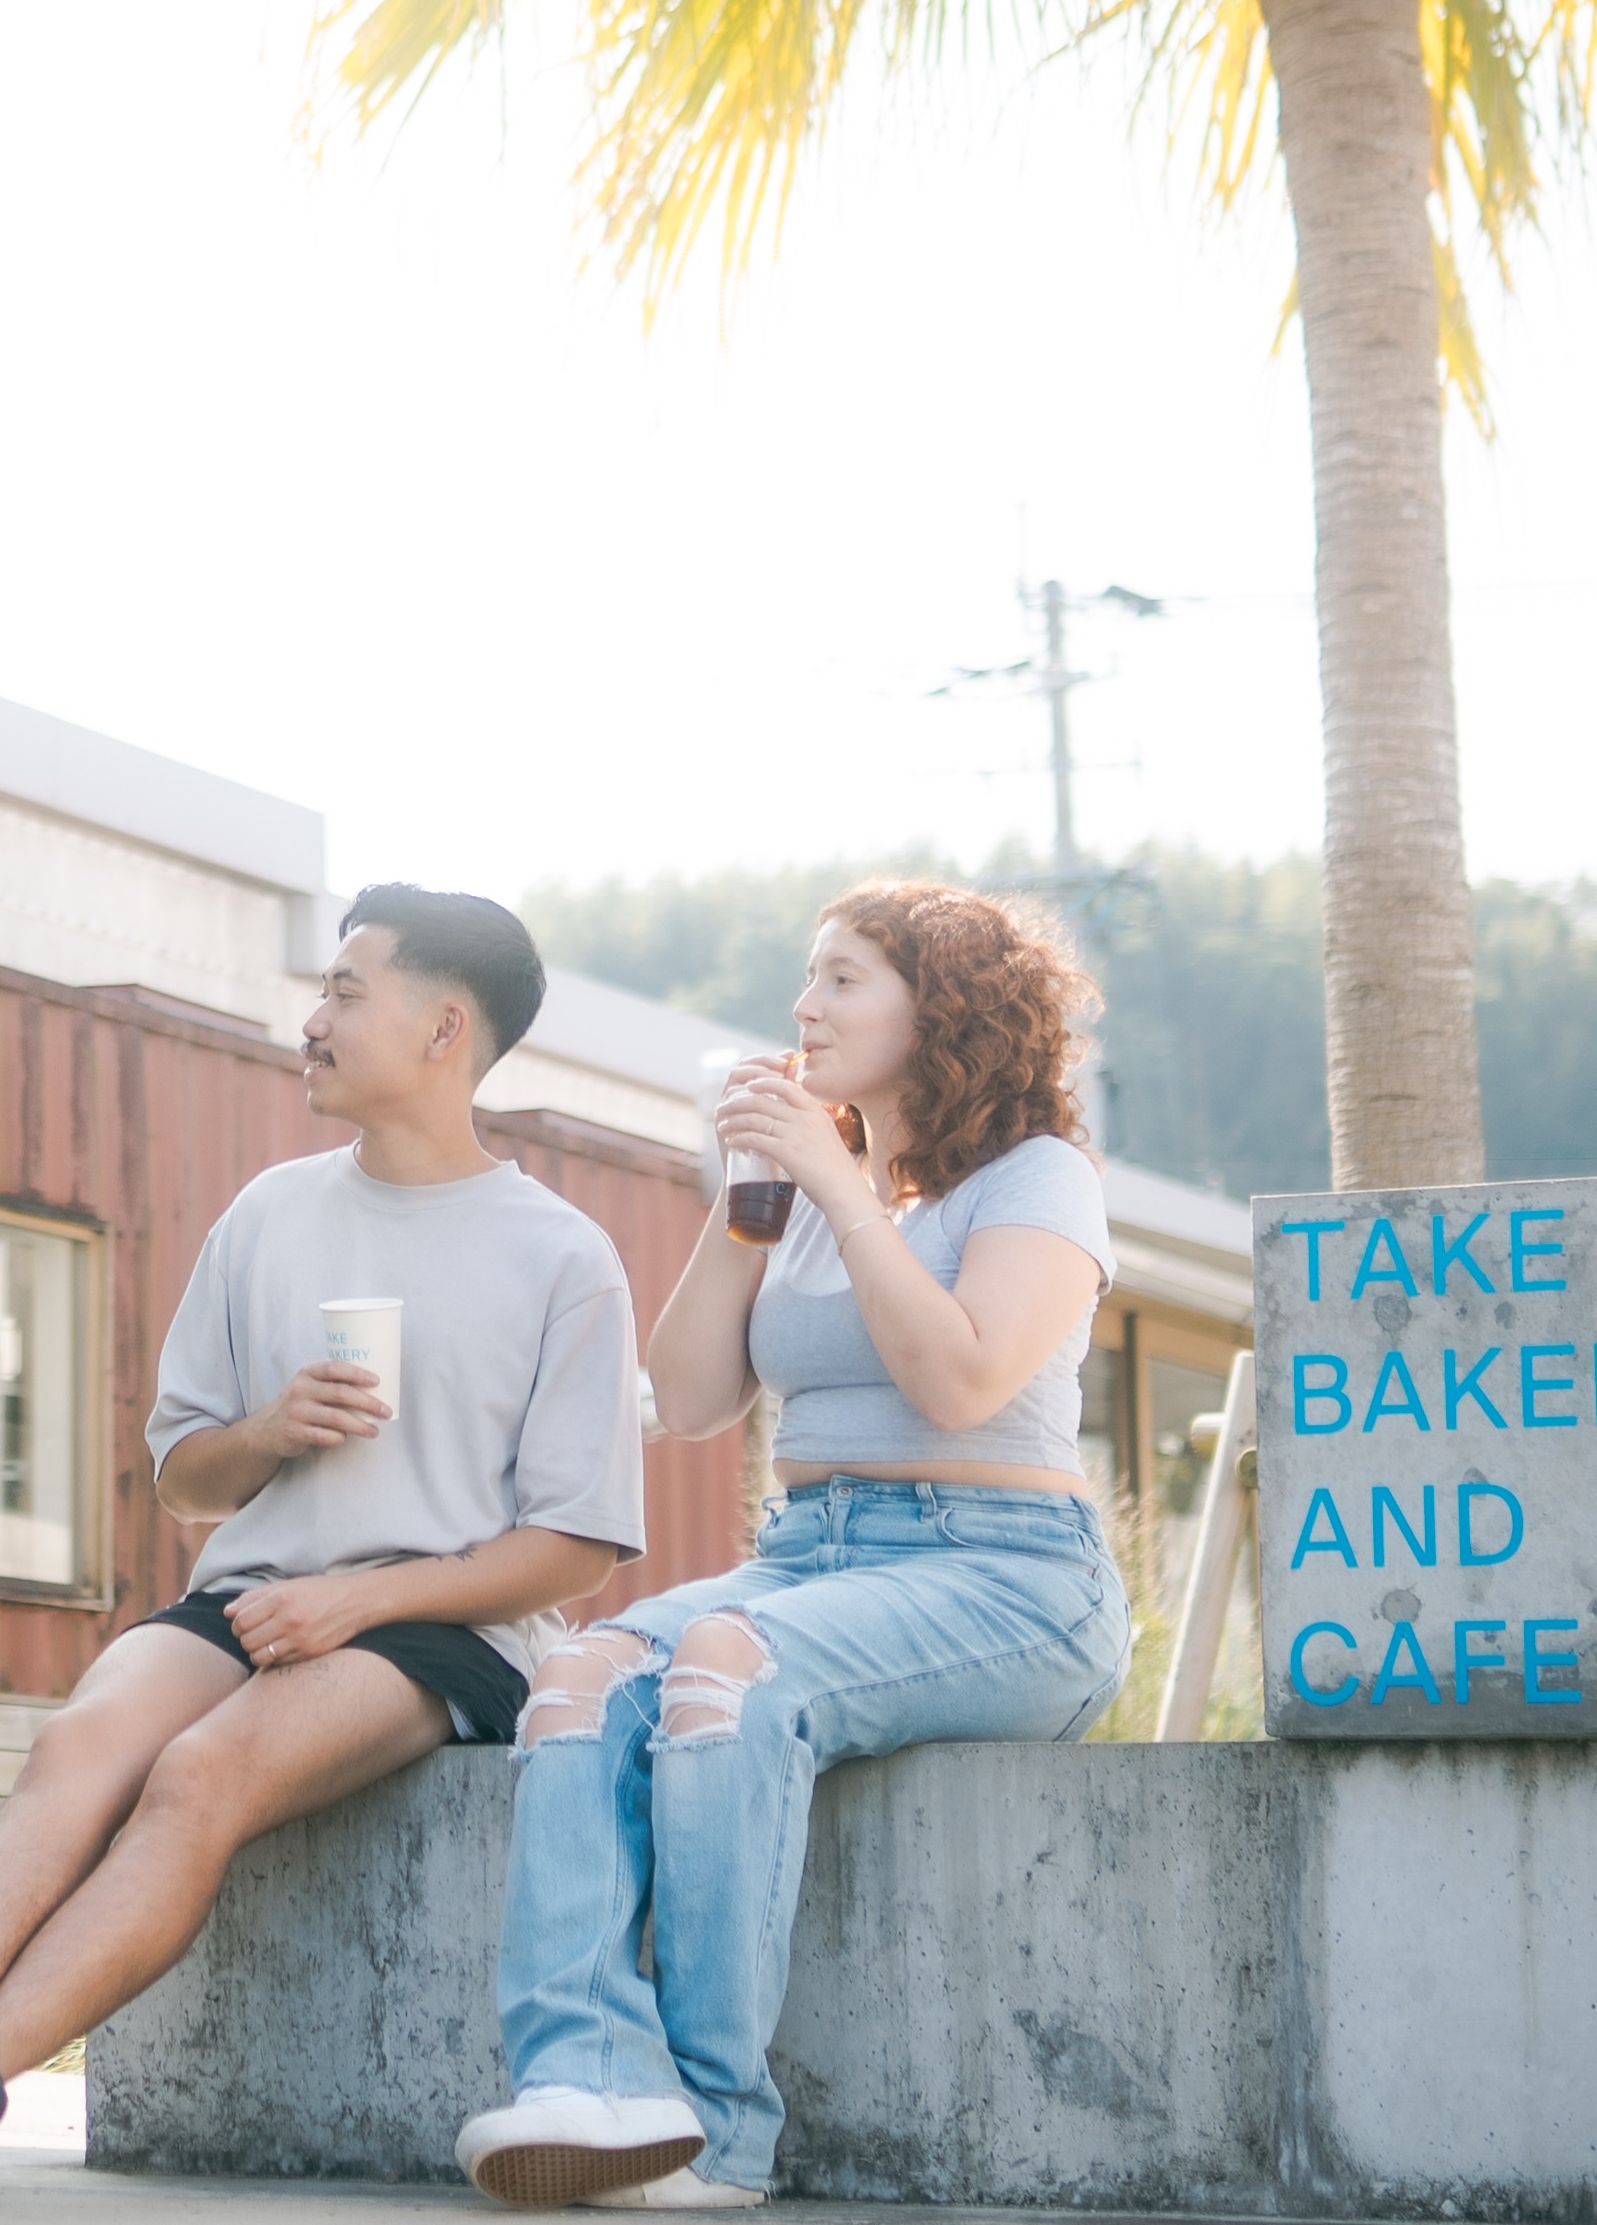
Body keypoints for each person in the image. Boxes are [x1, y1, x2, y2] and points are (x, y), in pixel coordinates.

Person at [0, 884, 648, 2194]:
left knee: (200, 1776)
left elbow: (576, 1549)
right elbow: (184, 1479)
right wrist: (270, 1431)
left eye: (343, 993)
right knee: (81, 1738)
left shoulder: (562, 1258)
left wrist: (357, 1609)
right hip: (256, 1592)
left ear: (444, 1029)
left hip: (445, 1629)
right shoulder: (268, 1212)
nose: (312, 1020)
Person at [454, 881, 1133, 2210]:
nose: (803, 1008)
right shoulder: (811, 1192)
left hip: (1009, 1573)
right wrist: (753, 1197)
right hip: (807, 1557)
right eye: (806, 979)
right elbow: (696, 1397)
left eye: (841, 980)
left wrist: (835, 1179)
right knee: (577, 1679)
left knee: (725, 1664)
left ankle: (715, 2135)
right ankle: (585, 2083)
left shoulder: (1039, 1180)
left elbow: (962, 1379)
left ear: (939, 1010)